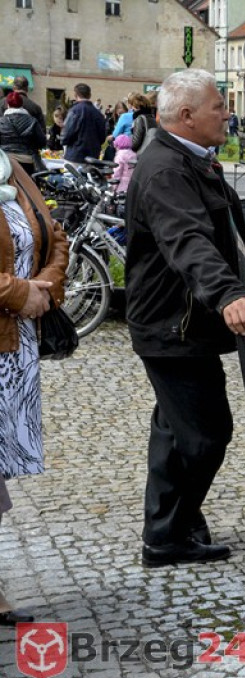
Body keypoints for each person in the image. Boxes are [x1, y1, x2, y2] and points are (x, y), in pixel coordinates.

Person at [125, 69, 245, 567]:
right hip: (171, 326)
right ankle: (169, 532)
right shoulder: (166, 169)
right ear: (186, 116)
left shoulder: (192, 160)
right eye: (217, 106)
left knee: (174, 429)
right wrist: (228, 293)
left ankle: (170, 526)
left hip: (185, 324)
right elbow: (188, 240)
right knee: (204, 433)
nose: (226, 114)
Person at [0, 152, 69, 627]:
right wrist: (18, 293)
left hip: (14, 350)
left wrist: (44, 284)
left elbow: (55, 235)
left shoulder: (12, 167)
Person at [0, 92, 46, 176]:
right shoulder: (32, 121)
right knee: (27, 186)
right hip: (27, 159)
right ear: (22, 105)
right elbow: (42, 142)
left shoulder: (1, 122)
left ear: (7, 105)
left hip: (6, 160)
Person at [61, 83, 107, 163]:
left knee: (73, 175)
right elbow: (102, 137)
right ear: (89, 95)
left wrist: (63, 141)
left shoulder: (74, 111)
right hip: (92, 156)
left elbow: (66, 133)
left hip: (74, 155)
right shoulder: (98, 114)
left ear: (75, 95)